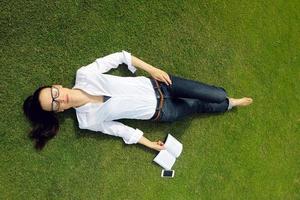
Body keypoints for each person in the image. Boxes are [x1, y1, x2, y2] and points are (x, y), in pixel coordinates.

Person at [23, 51, 253, 151]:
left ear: (57, 86)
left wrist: (153, 70)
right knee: (198, 106)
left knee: (212, 93)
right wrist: (149, 144)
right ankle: (230, 104)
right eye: (54, 105)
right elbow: (118, 130)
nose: (59, 99)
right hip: (163, 111)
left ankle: (225, 98)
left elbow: (120, 57)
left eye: (53, 94)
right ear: (58, 111)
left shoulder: (85, 74)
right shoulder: (86, 121)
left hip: (160, 84)